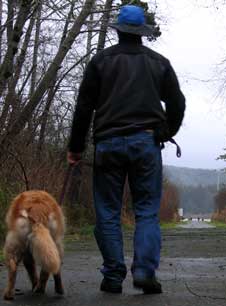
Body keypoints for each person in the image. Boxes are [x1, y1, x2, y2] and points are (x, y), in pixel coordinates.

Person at [67, 5, 185, 294]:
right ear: (141, 32)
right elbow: (177, 103)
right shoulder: (159, 62)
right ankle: (144, 271)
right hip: (146, 143)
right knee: (146, 211)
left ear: (118, 30)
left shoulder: (100, 62)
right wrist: (166, 131)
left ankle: (113, 275)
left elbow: (84, 107)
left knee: (107, 211)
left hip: (108, 143)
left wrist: (76, 147)